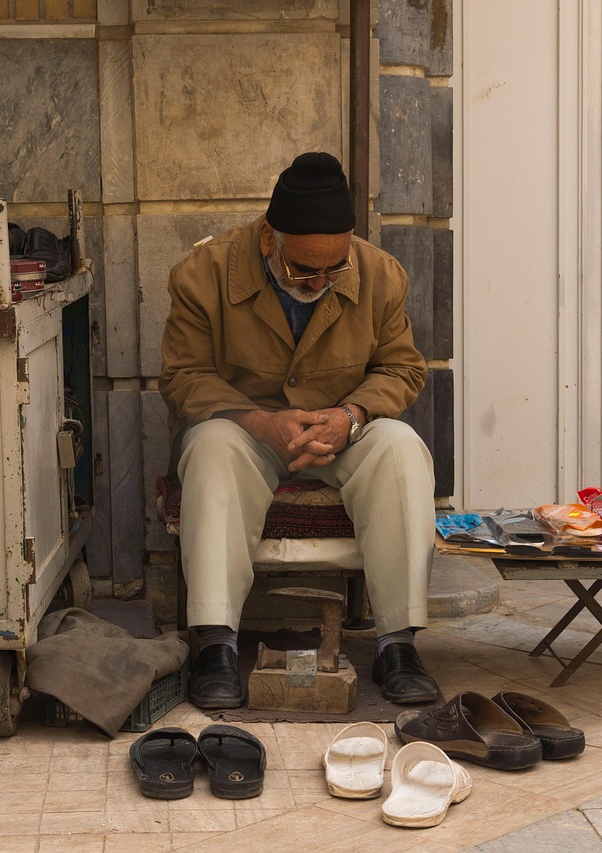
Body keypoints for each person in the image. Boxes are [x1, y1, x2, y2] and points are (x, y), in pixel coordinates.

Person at [159, 151, 442, 709]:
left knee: (404, 448)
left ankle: (398, 644)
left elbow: (403, 369)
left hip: (341, 431)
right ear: (270, 239)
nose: (319, 281)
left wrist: (351, 417)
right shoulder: (203, 274)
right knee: (211, 448)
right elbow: (183, 376)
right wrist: (259, 421)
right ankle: (215, 643)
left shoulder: (380, 274)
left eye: (332, 269)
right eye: (303, 269)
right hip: (246, 431)